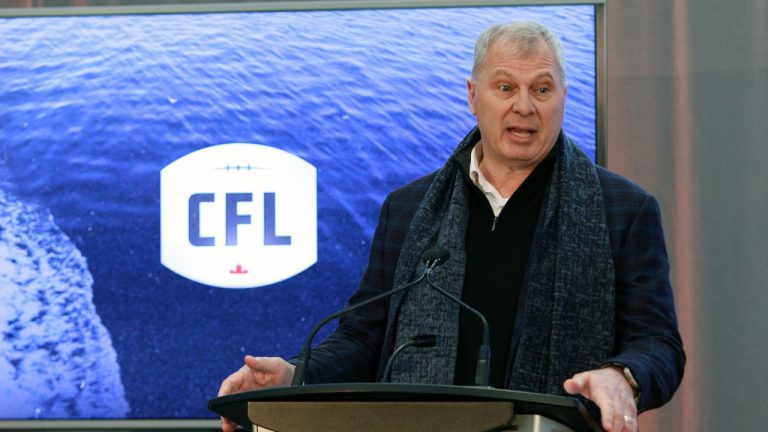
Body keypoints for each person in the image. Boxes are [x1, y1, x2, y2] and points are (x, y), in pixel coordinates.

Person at [218, 21, 685, 432]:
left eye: (541, 89)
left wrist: (622, 376)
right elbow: (363, 338)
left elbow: (658, 344)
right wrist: (296, 374)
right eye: (505, 87)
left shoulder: (622, 209)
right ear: (472, 96)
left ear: (563, 97)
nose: (524, 107)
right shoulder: (409, 208)